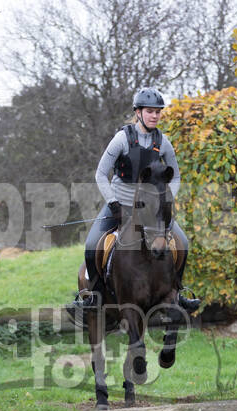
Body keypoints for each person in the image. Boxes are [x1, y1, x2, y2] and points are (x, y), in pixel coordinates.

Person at [67, 87, 200, 313]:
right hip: (119, 204)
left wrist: (166, 201)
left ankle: (178, 292)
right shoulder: (122, 139)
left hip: (152, 209)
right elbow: (100, 174)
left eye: (158, 112)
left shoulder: (163, 142)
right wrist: (113, 203)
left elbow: (176, 176)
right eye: (150, 111)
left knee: (183, 243)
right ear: (138, 112)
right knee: (92, 246)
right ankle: (92, 297)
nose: (155, 116)